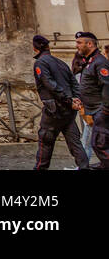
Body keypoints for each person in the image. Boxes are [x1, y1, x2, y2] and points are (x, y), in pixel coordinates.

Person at [31, 34, 88, 170]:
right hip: (68, 110)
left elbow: (50, 84)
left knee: (45, 141)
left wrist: (69, 100)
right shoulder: (60, 62)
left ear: (35, 48)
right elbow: (73, 82)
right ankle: (84, 167)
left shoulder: (40, 63)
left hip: (54, 109)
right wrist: (75, 99)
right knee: (75, 143)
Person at [72, 31, 109, 168]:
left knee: (99, 144)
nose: (77, 46)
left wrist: (105, 110)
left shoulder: (99, 62)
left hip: (101, 110)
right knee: (100, 143)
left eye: (79, 43)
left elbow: (107, 85)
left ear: (89, 44)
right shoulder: (90, 62)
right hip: (94, 110)